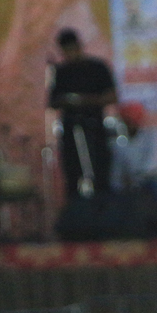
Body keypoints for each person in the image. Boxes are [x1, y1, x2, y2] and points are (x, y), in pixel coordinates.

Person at [48, 28, 118, 198]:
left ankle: (102, 207)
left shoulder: (97, 67)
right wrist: (67, 101)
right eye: (65, 51)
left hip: (95, 128)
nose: (69, 55)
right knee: (73, 176)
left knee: (100, 173)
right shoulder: (62, 72)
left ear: (79, 47)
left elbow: (111, 96)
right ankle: (76, 208)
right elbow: (53, 102)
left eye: (71, 49)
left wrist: (84, 100)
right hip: (71, 129)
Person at [111, 101, 157, 198]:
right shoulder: (119, 144)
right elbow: (116, 174)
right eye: (127, 119)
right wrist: (117, 187)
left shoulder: (154, 135)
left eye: (134, 118)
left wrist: (135, 179)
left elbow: (152, 165)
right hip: (132, 189)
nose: (131, 123)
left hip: (154, 184)